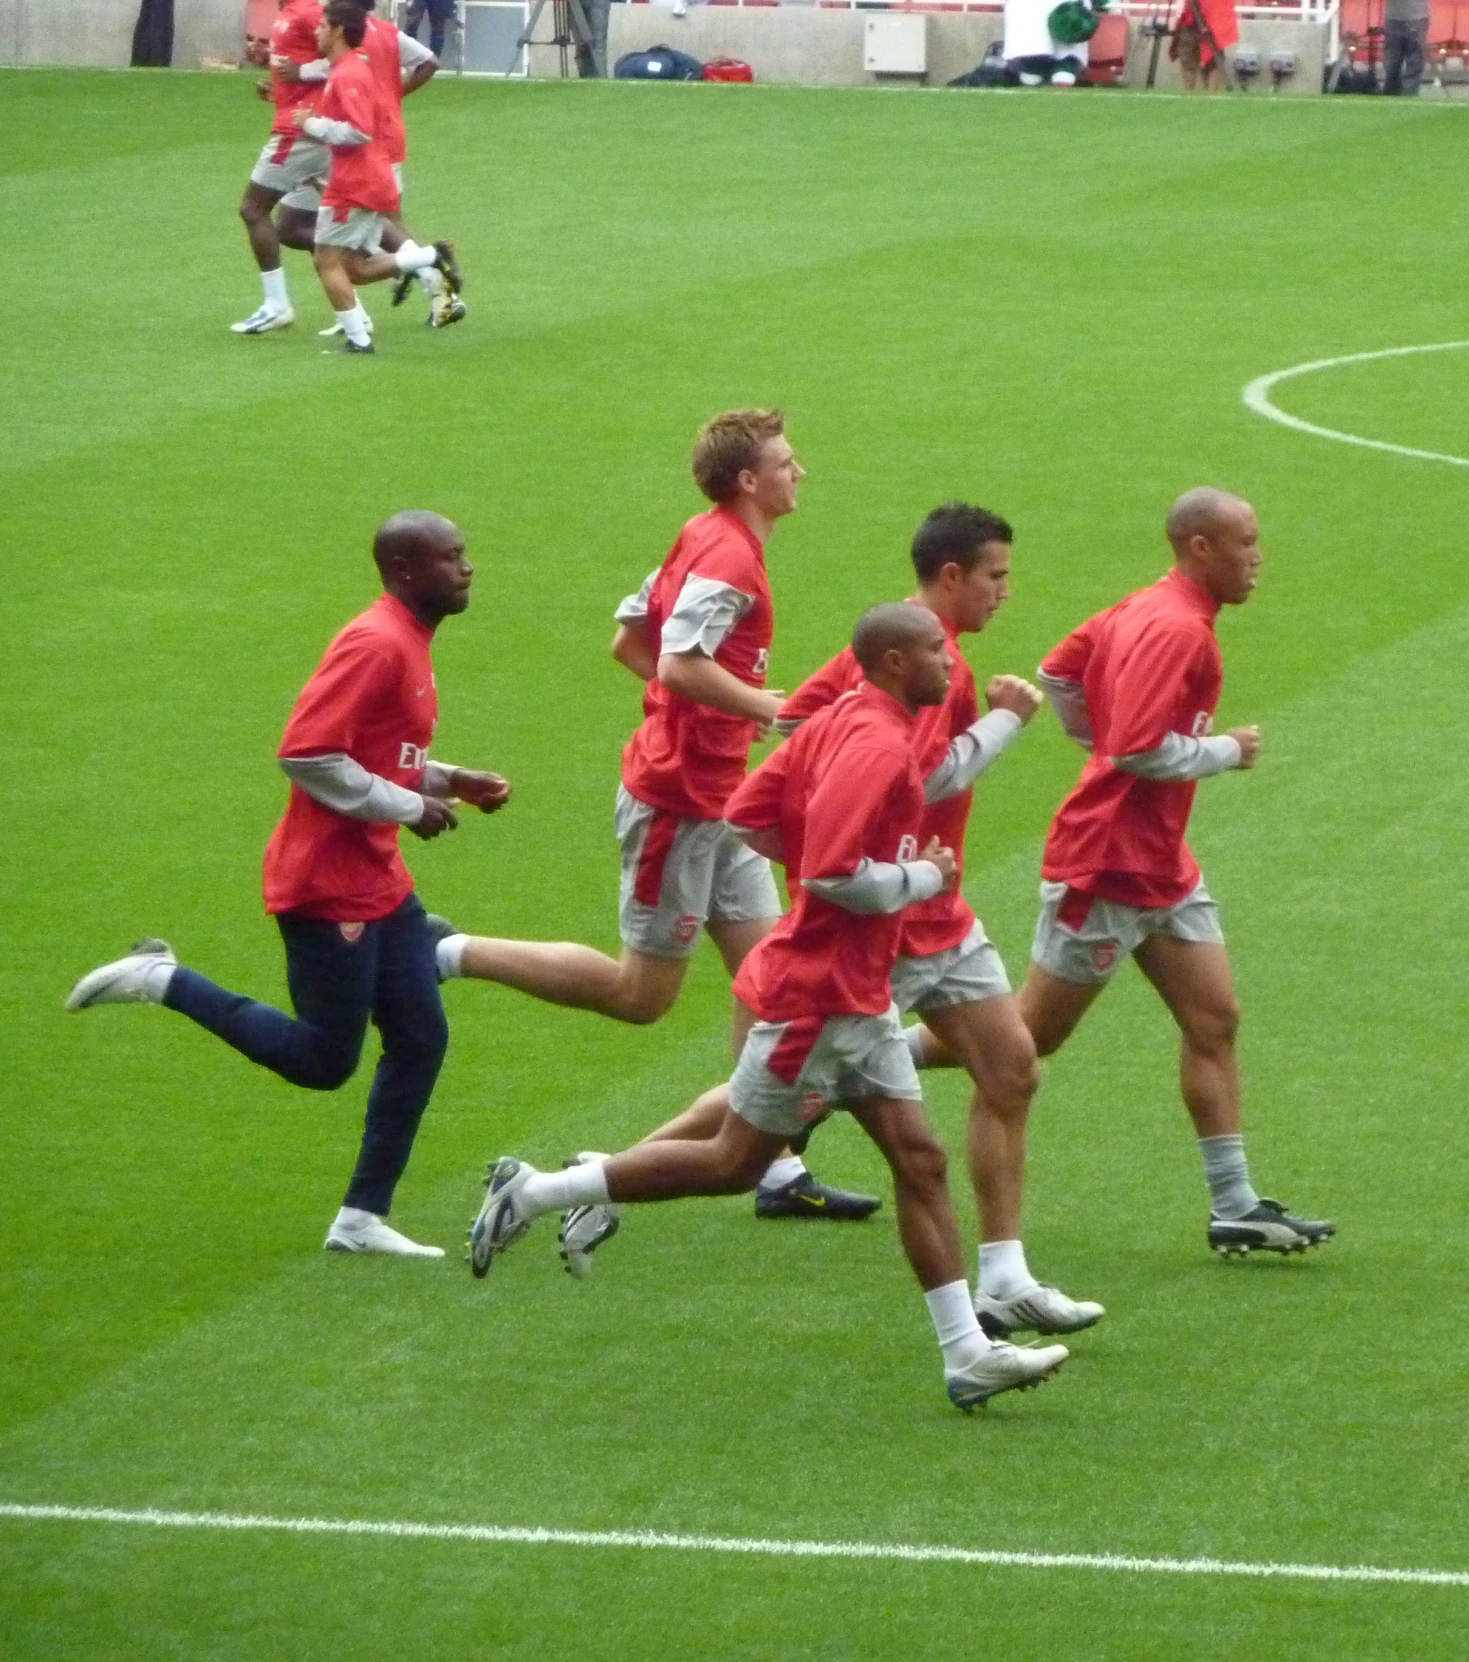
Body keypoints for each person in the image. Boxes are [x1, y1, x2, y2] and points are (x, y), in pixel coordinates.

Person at [467, 605, 1073, 1413]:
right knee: (733, 1162)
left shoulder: (843, 719)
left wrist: (846, 863)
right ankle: (540, 1191)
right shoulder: (877, 744)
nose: (949, 664)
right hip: (819, 1000)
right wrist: (917, 881)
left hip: (854, 989)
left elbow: (752, 814)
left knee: (919, 1160)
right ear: (894, 663)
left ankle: (967, 1353)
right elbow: (829, 873)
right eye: (934, 652)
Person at [573, 506, 1103, 1336]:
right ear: (952, 577)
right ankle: (599, 1178)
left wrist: (823, 808)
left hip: (938, 914)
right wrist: (1001, 725)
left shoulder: (909, 657)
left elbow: (793, 725)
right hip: (883, 921)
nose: (1007, 591)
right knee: (767, 1112)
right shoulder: (931, 669)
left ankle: (1004, 1276)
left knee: (1012, 1068)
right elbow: (910, 781)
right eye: (996, 576)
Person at [433, 410, 876, 1221]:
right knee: (642, 996)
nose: (799, 471)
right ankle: (452, 950)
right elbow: (672, 658)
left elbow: (631, 642)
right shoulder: (730, 559)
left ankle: (766, 1165)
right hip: (676, 804)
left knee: (772, 984)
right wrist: (763, 710)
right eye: (786, 461)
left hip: (721, 800)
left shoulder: (701, 535)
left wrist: (711, 718)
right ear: (749, 481)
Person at [65, 512, 508, 1258]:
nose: (467, 569)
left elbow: (375, 752)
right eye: (450, 557)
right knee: (322, 1061)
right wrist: (411, 807)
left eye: (465, 554)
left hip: (379, 879)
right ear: (404, 570)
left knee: (421, 1036)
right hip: (326, 886)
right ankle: (163, 978)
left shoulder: (411, 640)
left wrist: (445, 777)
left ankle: (360, 1219)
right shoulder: (376, 643)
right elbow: (307, 754)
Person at [1022, 489, 1333, 1258]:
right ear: (1201, 547)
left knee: (1214, 1018)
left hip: (1160, 863)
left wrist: (1096, 743)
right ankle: (856, 1061)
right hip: (1103, 868)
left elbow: (1060, 675)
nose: (1258, 556)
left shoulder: (1144, 607)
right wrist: (1224, 751)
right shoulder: (1176, 631)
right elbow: (1134, 749)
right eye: (1246, 542)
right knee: (1020, 1041)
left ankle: (1235, 1205)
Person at [275, 0, 462, 334]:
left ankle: (433, 277)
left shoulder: (347, 38)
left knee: (377, 223)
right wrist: (394, 96)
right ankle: (410, 281)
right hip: (380, 136)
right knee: (371, 223)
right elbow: (429, 61)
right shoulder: (387, 33)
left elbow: (332, 70)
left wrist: (298, 76)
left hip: (363, 144)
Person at [233, 0, 328, 336]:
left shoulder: (307, 12)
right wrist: (280, 88)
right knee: (294, 225)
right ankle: (421, 263)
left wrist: (302, 74)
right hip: (307, 126)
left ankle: (277, 306)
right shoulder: (290, 13)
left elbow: (350, 57)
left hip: (300, 133)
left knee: (253, 209)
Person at [1169, 0, 1237, 88]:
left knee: (1213, 63)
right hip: (1191, 22)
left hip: (1212, 20)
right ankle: (1188, 97)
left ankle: (1213, 98)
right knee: (1188, 61)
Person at [1381, 0, 1428, 96]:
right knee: (1392, 62)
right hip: (1393, 17)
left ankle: (1409, 95)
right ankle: (1391, 94)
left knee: (1414, 61)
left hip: (1416, 16)